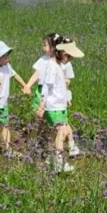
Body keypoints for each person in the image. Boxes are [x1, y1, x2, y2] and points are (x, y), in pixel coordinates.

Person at [37, 40, 85, 173]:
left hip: (59, 106)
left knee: (55, 132)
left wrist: (67, 98)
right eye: (69, 57)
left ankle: (51, 158)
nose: (70, 60)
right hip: (54, 107)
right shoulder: (53, 67)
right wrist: (42, 106)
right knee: (61, 132)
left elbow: (60, 87)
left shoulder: (57, 66)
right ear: (63, 54)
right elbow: (47, 86)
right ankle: (59, 162)